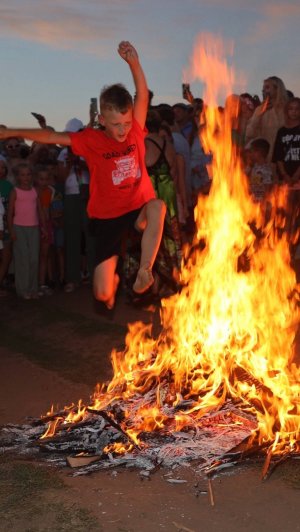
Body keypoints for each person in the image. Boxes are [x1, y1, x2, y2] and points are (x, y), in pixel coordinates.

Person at [0, 41, 166, 309]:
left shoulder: (135, 130)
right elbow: (51, 135)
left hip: (137, 208)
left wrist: (134, 63)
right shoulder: (91, 140)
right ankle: (110, 278)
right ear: (102, 119)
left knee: (158, 205)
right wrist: (11, 132)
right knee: (102, 295)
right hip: (107, 217)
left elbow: (142, 95)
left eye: (126, 123)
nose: (123, 130)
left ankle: (144, 271)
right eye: (116, 125)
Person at [7, 163, 45, 299]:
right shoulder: (15, 192)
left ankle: (33, 289)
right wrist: (11, 230)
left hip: (34, 228)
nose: (26, 178)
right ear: (17, 177)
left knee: (34, 258)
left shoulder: (35, 191)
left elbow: (39, 210)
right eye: (22, 175)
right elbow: (10, 212)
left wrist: (44, 227)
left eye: (28, 174)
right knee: (22, 259)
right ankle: (22, 290)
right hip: (19, 228)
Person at [245, 76, 289, 161]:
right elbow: (249, 134)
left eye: (267, 87)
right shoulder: (259, 109)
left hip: (285, 158)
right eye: (263, 88)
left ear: (277, 89)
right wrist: (259, 115)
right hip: (266, 159)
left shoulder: (288, 109)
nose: (264, 90)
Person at [0, 155, 14, 294]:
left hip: (6, 225)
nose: (1, 169)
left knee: (7, 255)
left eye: (3, 167)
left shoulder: (9, 185)